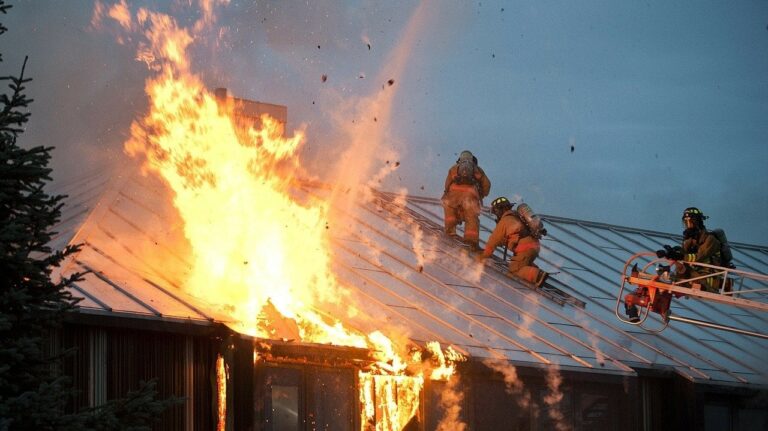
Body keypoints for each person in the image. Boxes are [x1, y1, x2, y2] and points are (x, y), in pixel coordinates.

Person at [624, 207, 723, 322]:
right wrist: (669, 253)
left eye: (691, 222)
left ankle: (662, 287)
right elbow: (683, 254)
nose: (688, 225)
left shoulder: (710, 240)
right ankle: (641, 306)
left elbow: (697, 257)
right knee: (663, 282)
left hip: (707, 279)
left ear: (698, 222)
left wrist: (678, 256)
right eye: (686, 223)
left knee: (676, 271)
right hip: (694, 276)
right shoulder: (690, 240)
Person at [476, 196, 548, 287]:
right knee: (522, 262)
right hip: (533, 245)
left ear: (500, 210)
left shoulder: (505, 220)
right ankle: (533, 271)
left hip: (525, 247)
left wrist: (484, 255)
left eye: (496, 212)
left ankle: (538, 275)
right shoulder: (517, 217)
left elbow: (493, 240)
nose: (496, 215)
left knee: (514, 270)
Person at [441, 150, 491, 251]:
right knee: (471, 217)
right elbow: (487, 185)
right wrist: (481, 195)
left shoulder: (454, 168)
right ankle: (471, 241)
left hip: (453, 194)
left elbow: (447, 184)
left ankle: (450, 232)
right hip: (470, 195)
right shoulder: (478, 170)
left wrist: (446, 193)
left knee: (450, 213)